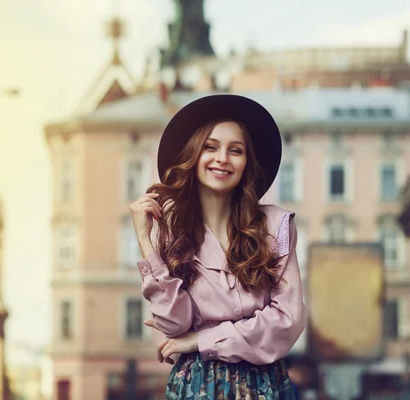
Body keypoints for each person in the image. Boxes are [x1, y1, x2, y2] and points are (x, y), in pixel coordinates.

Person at [129, 94, 307, 399]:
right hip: (197, 385)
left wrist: (200, 339)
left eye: (235, 150)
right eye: (210, 147)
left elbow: (287, 321)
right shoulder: (170, 232)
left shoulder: (275, 226)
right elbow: (175, 323)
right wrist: (146, 241)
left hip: (263, 385)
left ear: (246, 162)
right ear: (194, 156)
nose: (222, 158)